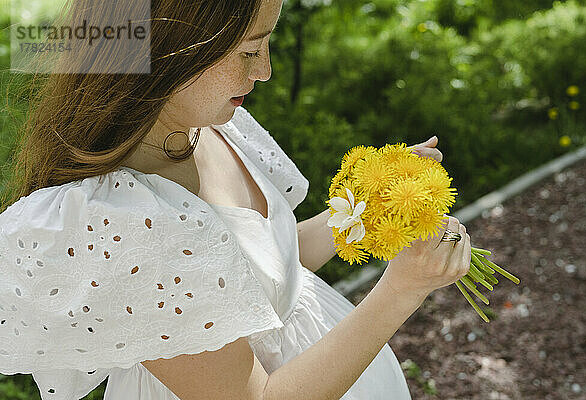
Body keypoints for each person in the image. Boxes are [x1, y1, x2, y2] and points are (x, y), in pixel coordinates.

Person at [0, 0, 470, 399]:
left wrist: (364, 209)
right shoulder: (121, 225)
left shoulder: (205, 126)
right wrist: (402, 289)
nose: (264, 71)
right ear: (171, 47)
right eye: (248, 51)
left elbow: (264, 272)